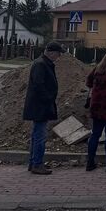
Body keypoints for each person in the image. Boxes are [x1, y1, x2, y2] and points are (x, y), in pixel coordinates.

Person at [22, 41, 65, 175]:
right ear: (51, 52)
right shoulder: (41, 64)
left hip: (39, 105)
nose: (58, 57)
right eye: (58, 54)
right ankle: (37, 164)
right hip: (40, 106)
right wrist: (48, 98)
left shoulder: (43, 63)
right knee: (40, 136)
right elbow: (38, 85)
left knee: (36, 135)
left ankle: (34, 162)